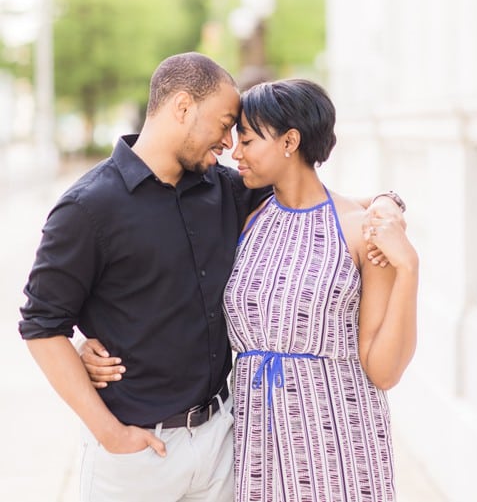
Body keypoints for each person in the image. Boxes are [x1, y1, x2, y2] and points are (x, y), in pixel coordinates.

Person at [18, 53, 403, 502]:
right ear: (182, 108)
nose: (228, 142)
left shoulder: (225, 189)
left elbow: (316, 199)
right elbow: (42, 325)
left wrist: (388, 202)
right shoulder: (87, 208)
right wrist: (109, 434)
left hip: (225, 443)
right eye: (224, 125)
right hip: (138, 454)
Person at [224, 78, 417, 500]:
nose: (235, 152)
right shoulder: (244, 219)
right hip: (259, 438)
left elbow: (383, 370)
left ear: (290, 141)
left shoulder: (360, 231)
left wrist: (409, 270)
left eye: (249, 139)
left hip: (340, 438)